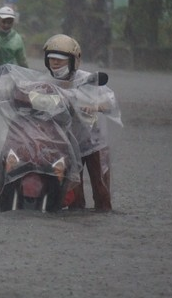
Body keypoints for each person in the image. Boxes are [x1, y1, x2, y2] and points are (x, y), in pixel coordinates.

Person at [42, 34, 120, 211]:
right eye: (51, 59)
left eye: (60, 60)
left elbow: (111, 101)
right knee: (74, 198)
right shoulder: (46, 82)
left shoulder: (88, 79)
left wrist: (96, 106)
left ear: (73, 61)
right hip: (68, 145)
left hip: (95, 144)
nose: (55, 63)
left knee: (101, 192)